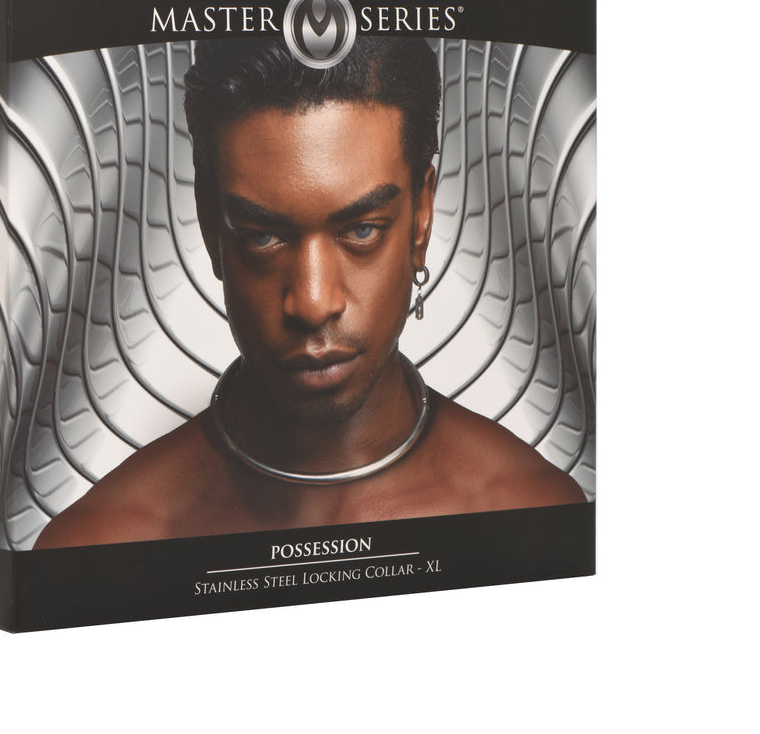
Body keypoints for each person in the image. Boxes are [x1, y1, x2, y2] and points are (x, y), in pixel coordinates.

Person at [34, 37, 584, 549]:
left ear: (421, 218)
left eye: (362, 230)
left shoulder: (531, 518)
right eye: (263, 237)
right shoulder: (99, 546)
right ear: (209, 225)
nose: (314, 303)